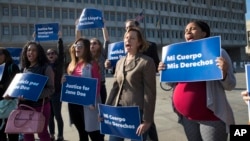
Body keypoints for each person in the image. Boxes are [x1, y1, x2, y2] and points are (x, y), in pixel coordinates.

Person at [158, 20, 236, 141]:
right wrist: (166, 72)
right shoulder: (180, 55)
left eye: (193, 29)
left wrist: (224, 72)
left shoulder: (218, 53)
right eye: (186, 31)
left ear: (203, 34)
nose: (188, 32)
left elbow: (230, 85)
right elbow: (172, 84)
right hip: (187, 118)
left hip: (210, 117)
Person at [105, 27, 156, 141]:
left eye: (132, 38)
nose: (128, 40)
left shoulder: (146, 62)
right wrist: (106, 111)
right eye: (126, 38)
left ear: (139, 43)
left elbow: (150, 93)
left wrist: (147, 120)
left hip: (137, 113)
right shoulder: (119, 62)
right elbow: (114, 88)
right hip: (118, 111)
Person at [65, 37, 102, 141]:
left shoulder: (92, 64)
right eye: (76, 46)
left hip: (87, 105)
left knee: (93, 133)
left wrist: (92, 101)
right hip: (74, 104)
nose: (77, 48)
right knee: (81, 132)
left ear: (86, 49)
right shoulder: (72, 65)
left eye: (80, 46)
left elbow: (97, 84)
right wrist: (64, 80)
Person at [19, 41, 55, 141]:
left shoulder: (46, 68)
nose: (31, 52)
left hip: (41, 107)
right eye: (29, 50)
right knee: (27, 133)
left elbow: (51, 89)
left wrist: (34, 95)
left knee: (42, 133)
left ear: (39, 53)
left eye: (34, 50)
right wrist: (18, 95)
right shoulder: (24, 69)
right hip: (26, 106)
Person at [47, 32, 64, 141]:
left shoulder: (59, 63)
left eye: (53, 53)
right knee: (49, 116)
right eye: (48, 54)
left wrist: (60, 39)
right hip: (48, 94)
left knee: (57, 115)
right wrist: (36, 41)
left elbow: (61, 52)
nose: (51, 54)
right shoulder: (45, 65)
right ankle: (52, 134)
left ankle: (60, 135)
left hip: (57, 93)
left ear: (56, 55)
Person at [0, 47, 20, 141]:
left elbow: (18, 84)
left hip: (9, 103)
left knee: (12, 132)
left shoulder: (12, 67)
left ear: (5, 55)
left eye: (0, 53)